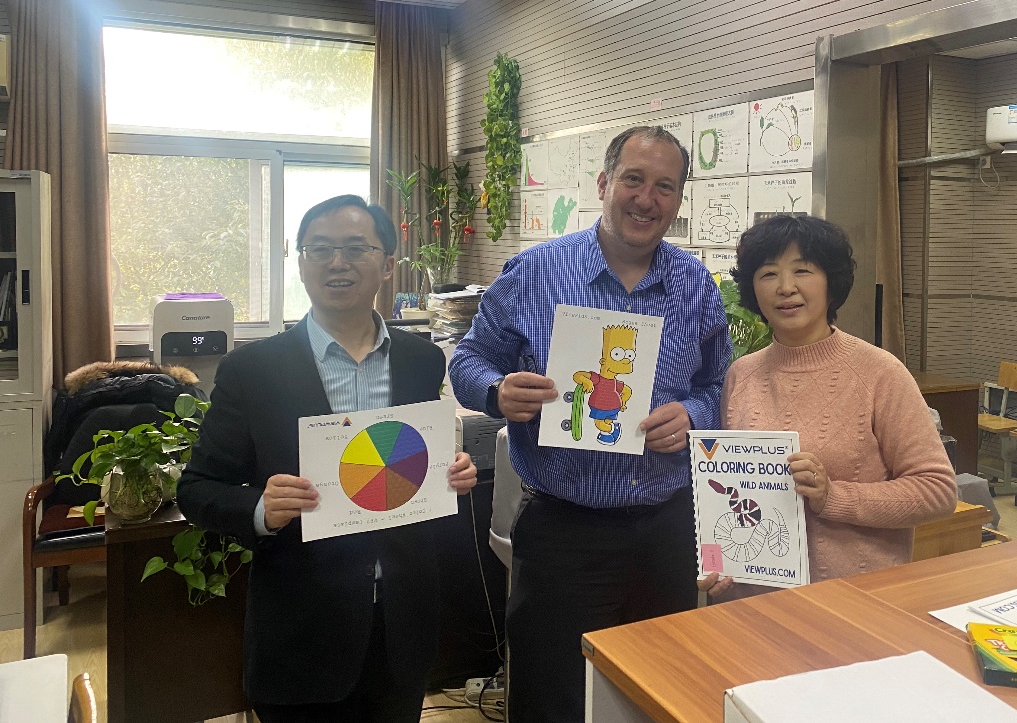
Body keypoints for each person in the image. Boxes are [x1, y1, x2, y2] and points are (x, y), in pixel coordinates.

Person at [450, 125, 732, 723]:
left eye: (664, 186)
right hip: (562, 532)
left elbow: (715, 386)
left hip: (665, 531)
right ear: (604, 183)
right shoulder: (534, 273)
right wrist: (498, 391)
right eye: (633, 179)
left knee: (659, 694)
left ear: (678, 200)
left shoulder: (696, 286)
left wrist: (694, 415)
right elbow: (468, 361)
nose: (646, 199)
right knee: (551, 696)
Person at [178, 195, 477, 723]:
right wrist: (260, 510)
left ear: (387, 265)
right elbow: (198, 488)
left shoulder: (420, 359)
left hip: (401, 629)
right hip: (300, 634)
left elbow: (411, 463)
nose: (337, 262)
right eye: (320, 249)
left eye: (356, 248)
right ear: (301, 263)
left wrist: (450, 473)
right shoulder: (253, 370)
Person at [701, 214, 956, 600]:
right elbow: (728, 493)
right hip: (752, 603)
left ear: (831, 283)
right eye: (768, 274)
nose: (786, 288)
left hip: (855, 601)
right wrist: (718, 560)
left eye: (802, 270)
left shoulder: (879, 373)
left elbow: (937, 491)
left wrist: (831, 496)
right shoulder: (742, 375)